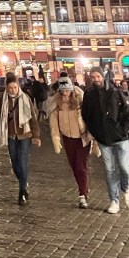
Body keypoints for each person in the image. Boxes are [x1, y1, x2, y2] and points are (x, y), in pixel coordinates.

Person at [81, 66, 129, 214]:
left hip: (120, 137)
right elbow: (86, 115)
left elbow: (127, 112)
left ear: (102, 76)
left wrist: (124, 129)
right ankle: (114, 201)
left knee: (124, 167)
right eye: (93, 77)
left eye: (98, 76)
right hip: (103, 139)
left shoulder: (115, 92)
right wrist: (95, 131)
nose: (96, 79)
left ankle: (126, 189)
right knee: (109, 171)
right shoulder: (89, 94)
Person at [47, 75, 98, 208]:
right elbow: (53, 123)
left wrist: (94, 137)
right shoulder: (56, 103)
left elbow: (90, 118)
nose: (66, 93)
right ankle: (84, 186)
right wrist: (56, 139)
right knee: (74, 166)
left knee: (81, 166)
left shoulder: (80, 99)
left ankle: (82, 195)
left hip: (82, 137)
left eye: (68, 90)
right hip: (67, 138)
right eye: (63, 91)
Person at [0, 71, 41, 205]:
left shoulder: (25, 98)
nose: (13, 90)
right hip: (11, 135)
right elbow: (0, 118)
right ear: (7, 88)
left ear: (18, 86)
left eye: (15, 87)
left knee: (22, 162)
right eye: (10, 88)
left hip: (25, 135)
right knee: (15, 165)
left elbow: (33, 117)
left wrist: (36, 135)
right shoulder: (3, 99)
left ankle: (22, 192)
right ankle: (24, 181)